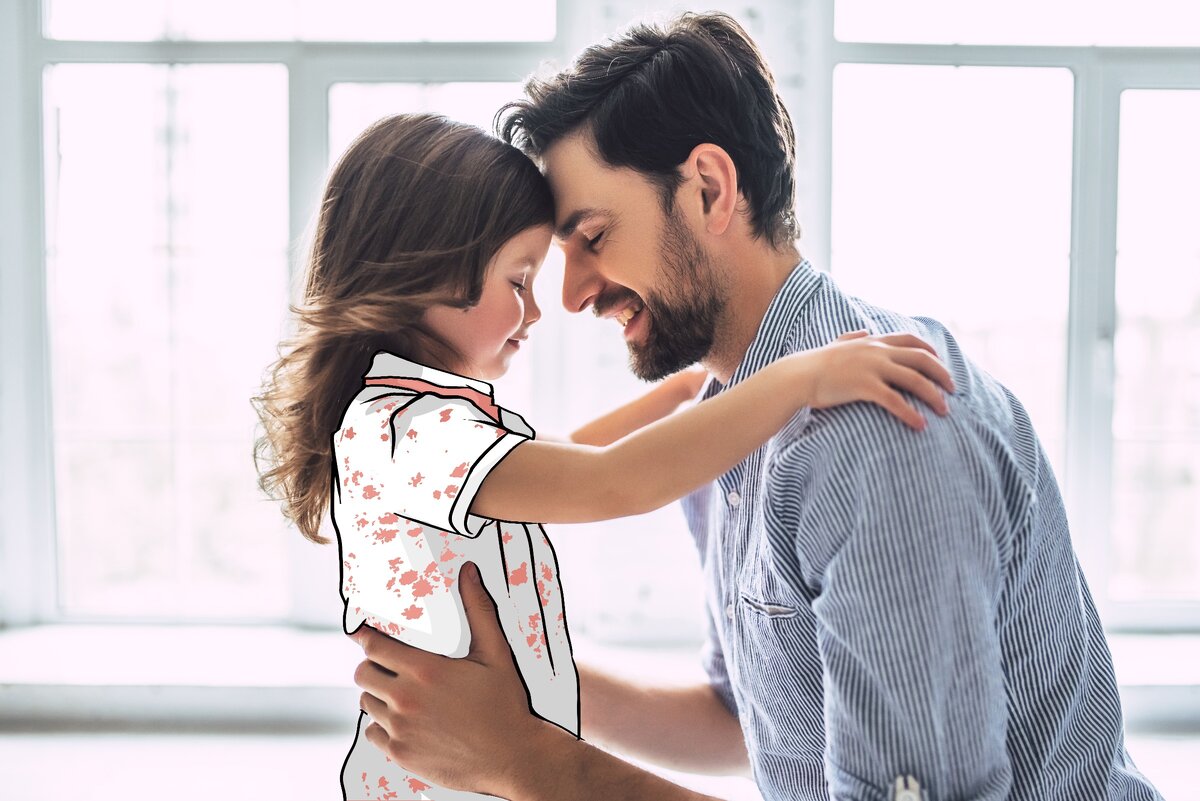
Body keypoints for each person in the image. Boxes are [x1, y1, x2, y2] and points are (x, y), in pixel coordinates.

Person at [345, 12, 1165, 801]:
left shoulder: (877, 440)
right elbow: (756, 726)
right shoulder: (729, 423)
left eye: (592, 237)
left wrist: (532, 761)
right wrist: (507, 686)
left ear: (708, 188)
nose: (573, 294)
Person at [253, 113, 955, 801]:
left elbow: (566, 454)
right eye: (519, 280)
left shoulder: (421, 420)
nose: (538, 310)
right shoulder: (411, 432)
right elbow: (607, 480)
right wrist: (802, 377)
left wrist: (686, 394)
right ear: (429, 271)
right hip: (445, 771)